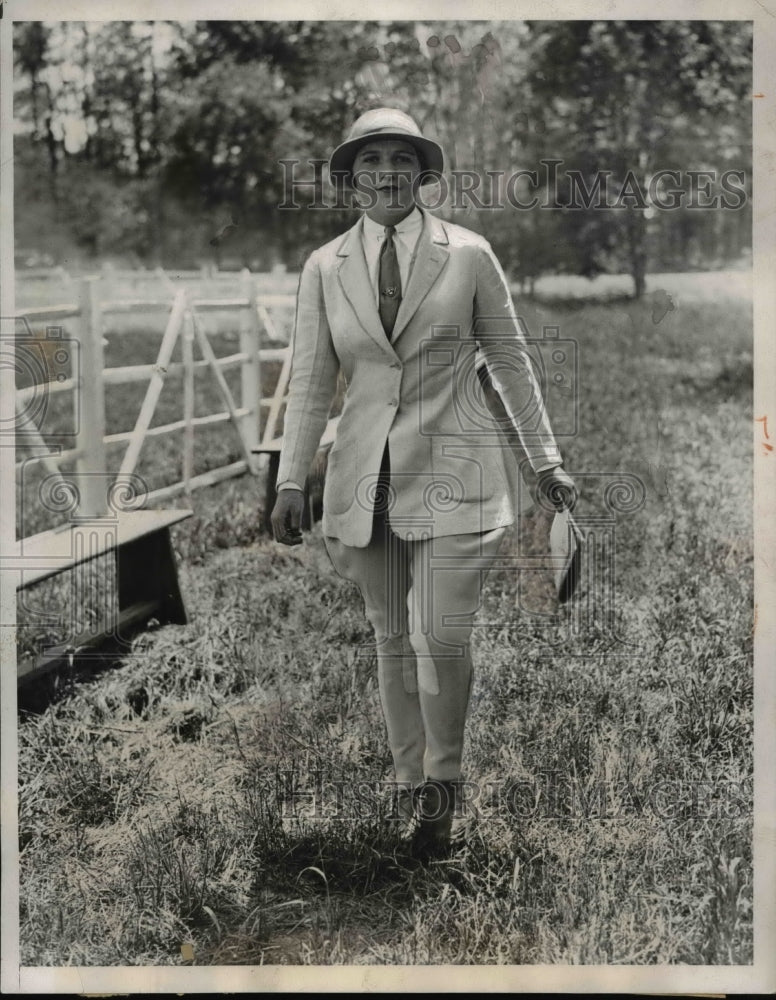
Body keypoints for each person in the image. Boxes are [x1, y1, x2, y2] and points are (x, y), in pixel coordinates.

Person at [271, 108, 575, 855]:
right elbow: (311, 381)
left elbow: (509, 361)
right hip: (363, 483)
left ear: (423, 173)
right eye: (371, 160)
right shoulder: (323, 266)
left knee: (439, 634)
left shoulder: (467, 254)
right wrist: (290, 478)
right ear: (351, 177)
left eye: (401, 159)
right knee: (390, 638)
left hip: (458, 475)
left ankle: (442, 790)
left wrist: (544, 460)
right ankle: (409, 783)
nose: (387, 173)